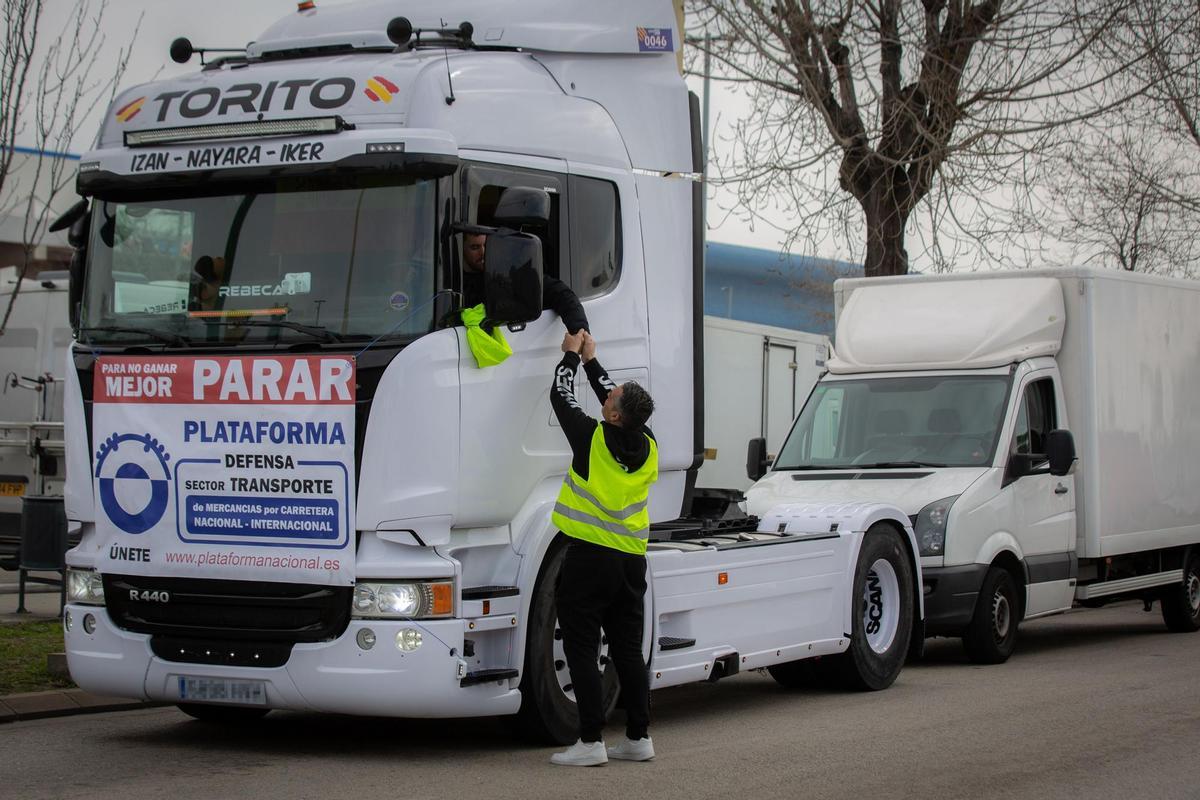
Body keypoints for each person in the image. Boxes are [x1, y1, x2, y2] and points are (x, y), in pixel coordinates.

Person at [548, 329, 658, 767]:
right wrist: (595, 363)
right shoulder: (647, 444)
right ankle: (638, 737)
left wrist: (572, 357)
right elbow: (612, 400)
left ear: (613, 416)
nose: (608, 395)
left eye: (612, 397)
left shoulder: (591, 439)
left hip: (590, 558)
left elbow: (561, 396)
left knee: (581, 646)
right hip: (631, 562)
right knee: (628, 649)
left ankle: (591, 741)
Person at [460, 232, 589, 335]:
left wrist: (580, 332)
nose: (483, 252)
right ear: (462, 249)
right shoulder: (451, 281)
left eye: (487, 246)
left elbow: (560, 293)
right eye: (475, 247)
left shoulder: (508, 274)